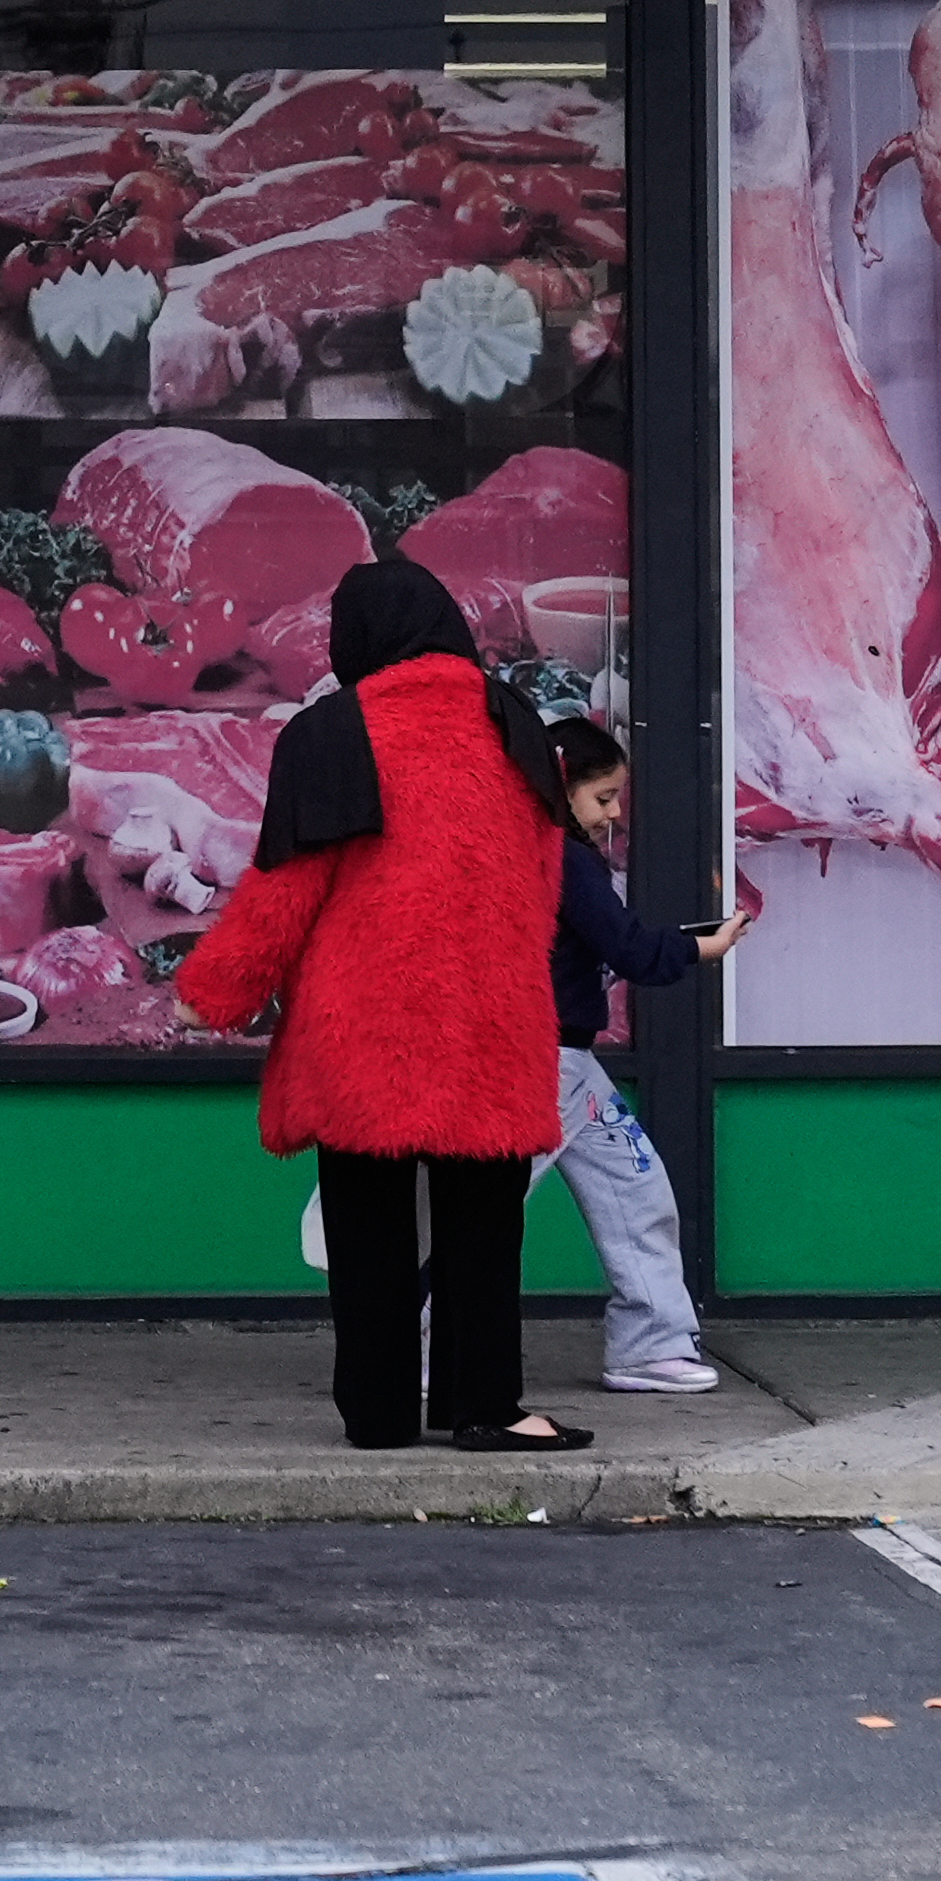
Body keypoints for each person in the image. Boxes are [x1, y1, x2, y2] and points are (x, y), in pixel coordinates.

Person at [173, 556, 583, 1452]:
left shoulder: (332, 733)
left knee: (369, 1230)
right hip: (488, 1019)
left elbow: (286, 888)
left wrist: (217, 991)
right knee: (485, 1224)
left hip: (366, 1024)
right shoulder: (514, 724)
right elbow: (544, 881)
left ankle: (381, 1411)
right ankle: (489, 1405)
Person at [530, 722, 746, 1396]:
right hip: (543, 1066)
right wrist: (700, 950)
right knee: (481, 1213)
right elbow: (627, 947)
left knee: (634, 1186)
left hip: (560, 1063)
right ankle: (648, 1343)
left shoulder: (534, 854)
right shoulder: (567, 859)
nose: (614, 812)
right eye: (603, 796)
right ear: (563, 790)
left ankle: (651, 1343)